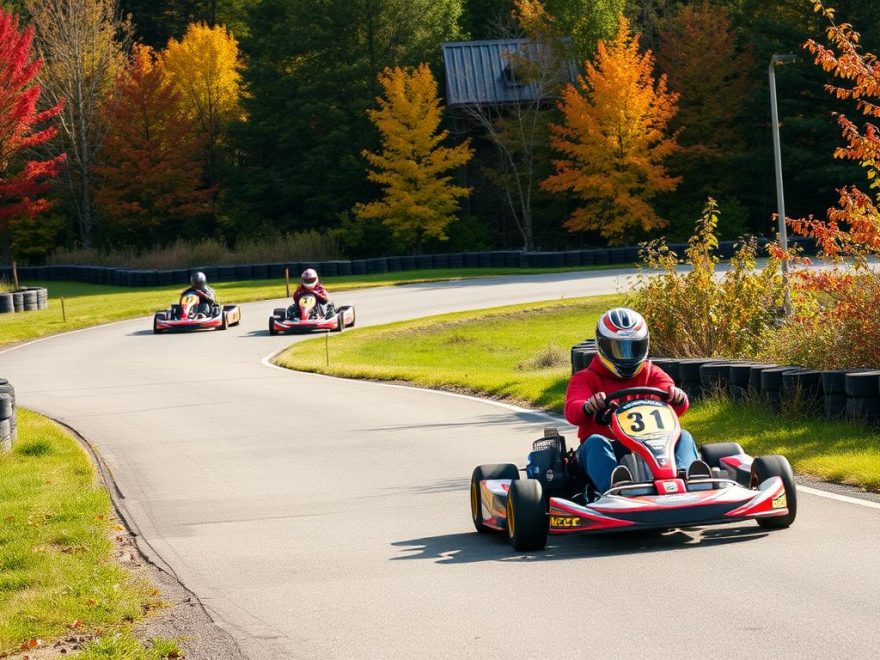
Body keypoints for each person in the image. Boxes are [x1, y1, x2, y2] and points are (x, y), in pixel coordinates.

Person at [564, 307, 707, 493]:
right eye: (619, 349)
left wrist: (677, 397)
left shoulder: (651, 372)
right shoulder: (586, 378)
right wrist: (588, 406)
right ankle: (616, 487)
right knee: (595, 442)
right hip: (609, 448)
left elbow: (673, 406)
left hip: (653, 446)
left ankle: (689, 479)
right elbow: (572, 410)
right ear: (603, 346)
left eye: (634, 348)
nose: (627, 356)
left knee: (684, 436)